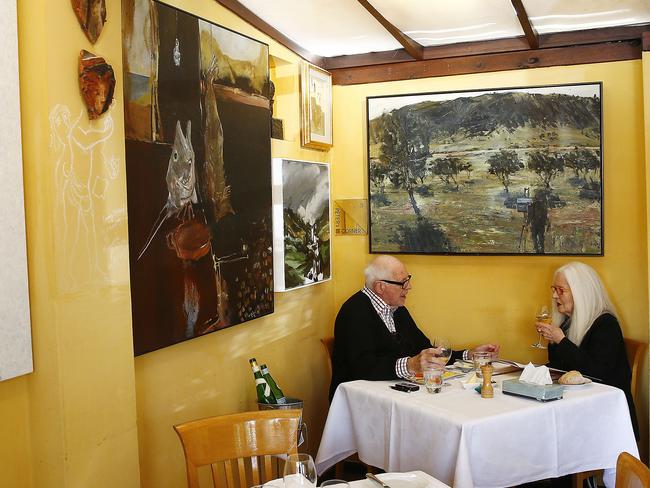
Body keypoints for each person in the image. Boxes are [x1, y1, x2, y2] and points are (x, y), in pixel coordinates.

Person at [329, 255, 499, 401]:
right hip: (359, 400)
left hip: (395, 395)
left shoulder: (397, 309)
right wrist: (410, 365)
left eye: (408, 280)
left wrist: (469, 355)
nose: (409, 287)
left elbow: (424, 349)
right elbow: (362, 366)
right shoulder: (354, 312)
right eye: (403, 283)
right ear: (381, 287)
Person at [535, 262, 639, 440]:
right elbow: (561, 366)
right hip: (577, 404)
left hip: (606, 411)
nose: (554, 295)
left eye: (561, 290)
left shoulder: (606, 324)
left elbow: (597, 371)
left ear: (580, 292)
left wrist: (561, 340)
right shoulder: (569, 322)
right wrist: (553, 342)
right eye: (554, 289)